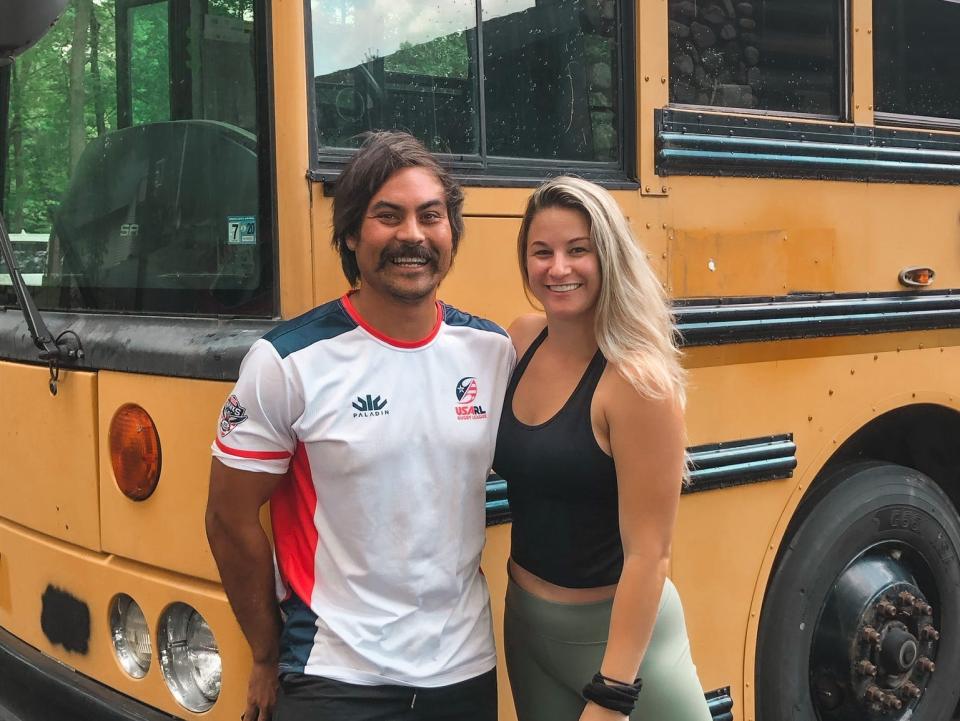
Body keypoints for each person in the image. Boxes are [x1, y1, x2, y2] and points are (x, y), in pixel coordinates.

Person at [205, 131, 515, 721]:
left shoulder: (491, 351)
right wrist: (266, 654)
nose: (413, 236)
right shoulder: (287, 362)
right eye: (387, 216)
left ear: (451, 233)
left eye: (431, 216)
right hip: (334, 674)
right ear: (351, 234)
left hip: (464, 672)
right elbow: (227, 517)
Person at [493, 177, 711, 721]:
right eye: (541, 252)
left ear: (607, 256)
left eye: (577, 250)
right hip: (528, 628)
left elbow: (649, 554)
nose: (558, 268)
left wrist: (613, 695)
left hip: (622, 649)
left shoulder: (637, 383)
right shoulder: (521, 340)